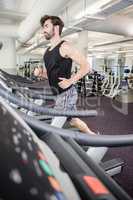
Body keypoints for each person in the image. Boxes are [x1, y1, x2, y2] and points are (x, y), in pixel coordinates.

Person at [34, 15, 95, 135]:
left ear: (56, 28)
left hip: (66, 93)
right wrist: (41, 74)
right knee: (72, 121)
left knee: (55, 124)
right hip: (58, 93)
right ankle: (94, 136)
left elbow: (86, 66)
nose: (43, 30)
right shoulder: (47, 52)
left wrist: (71, 80)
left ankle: (49, 148)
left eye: (46, 26)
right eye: (43, 27)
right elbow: (52, 76)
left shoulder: (65, 47)